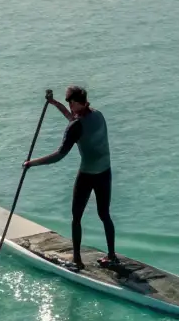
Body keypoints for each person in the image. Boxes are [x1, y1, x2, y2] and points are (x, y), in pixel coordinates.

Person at [23, 85, 120, 272]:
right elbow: (73, 119)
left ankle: (77, 260)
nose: (69, 104)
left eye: (69, 102)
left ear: (76, 102)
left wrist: (31, 163)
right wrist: (54, 103)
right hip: (105, 172)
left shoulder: (76, 126)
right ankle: (112, 256)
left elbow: (59, 155)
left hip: (88, 175)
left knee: (76, 217)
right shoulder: (98, 114)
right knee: (104, 214)